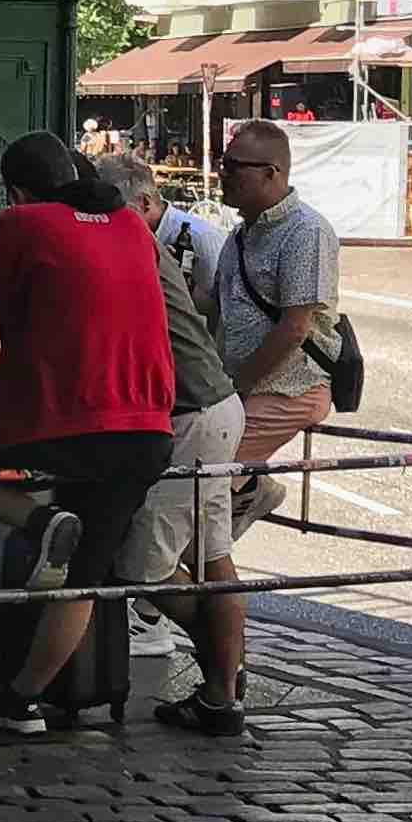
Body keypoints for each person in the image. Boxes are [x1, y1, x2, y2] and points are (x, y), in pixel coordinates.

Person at [0, 133, 173, 741]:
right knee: (87, 574)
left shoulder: (22, 224)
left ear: (16, 191)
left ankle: (39, 524)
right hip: (145, 429)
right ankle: (20, 699)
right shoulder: (133, 226)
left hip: (62, 424)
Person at [99, 149, 250, 735]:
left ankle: (219, 672)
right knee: (214, 557)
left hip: (188, 416)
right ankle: (222, 694)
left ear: (136, 203)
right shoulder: (152, 246)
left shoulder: (131, 246)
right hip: (218, 406)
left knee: (144, 568)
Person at [210, 119, 344, 715]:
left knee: (196, 498)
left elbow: (295, 326)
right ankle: (252, 487)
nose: (222, 174)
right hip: (237, 392)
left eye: (234, 166)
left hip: (285, 389)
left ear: (272, 174)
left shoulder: (307, 231)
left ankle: (211, 661)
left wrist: (233, 389)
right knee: (197, 499)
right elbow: (217, 312)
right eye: (224, 162)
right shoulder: (240, 234)